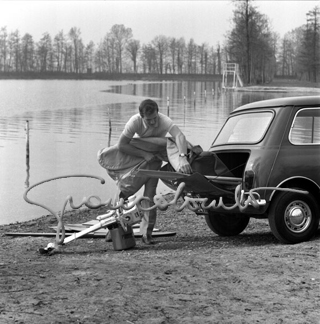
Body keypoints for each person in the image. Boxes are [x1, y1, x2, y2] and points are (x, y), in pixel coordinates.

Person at [117, 99, 192, 244]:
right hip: (140, 159)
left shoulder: (163, 120)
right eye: (148, 120)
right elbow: (122, 145)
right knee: (126, 191)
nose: (152, 122)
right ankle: (115, 228)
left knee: (150, 195)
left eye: (154, 119)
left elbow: (179, 136)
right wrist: (144, 155)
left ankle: (146, 234)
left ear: (158, 113)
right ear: (141, 117)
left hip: (155, 160)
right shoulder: (134, 122)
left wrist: (182, 157)